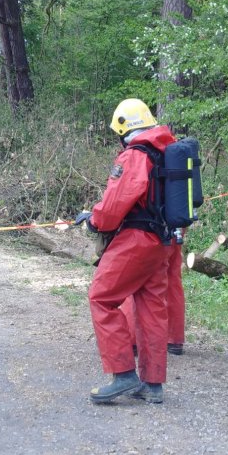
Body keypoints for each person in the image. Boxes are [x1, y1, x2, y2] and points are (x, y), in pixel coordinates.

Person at [74, 98, 178, 405]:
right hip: (163, 241)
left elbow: (115, 204)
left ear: (123, 128)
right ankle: (153, 384)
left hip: (137, 240)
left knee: (101, 297)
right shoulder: (164, 152)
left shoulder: (135, 155)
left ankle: (123, 375)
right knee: (151, 308)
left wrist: (94, 222)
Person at [120, 245, 186, 355]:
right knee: (172, 275)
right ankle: (174, 339)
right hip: (175, 230)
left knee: (132, 276)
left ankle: (132, 340)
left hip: (145, 233)